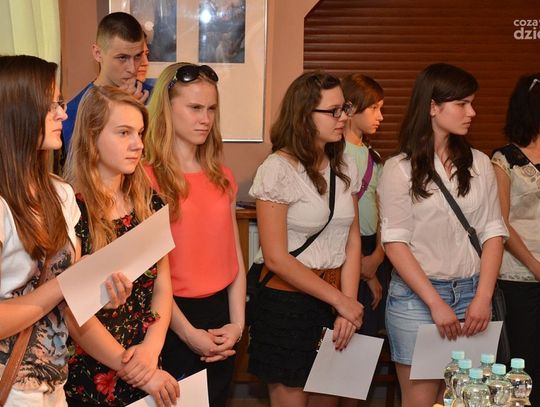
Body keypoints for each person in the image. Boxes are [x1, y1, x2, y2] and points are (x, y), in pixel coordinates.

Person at [0, 55, 129, 407]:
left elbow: (68, 300)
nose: (63, 114)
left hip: (54, 382)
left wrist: (101, 292)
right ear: (18, 111)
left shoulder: (60, 194)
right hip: (10, 388)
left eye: (60, 103)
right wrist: (65, 284)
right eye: (52, 105)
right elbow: (58, 287)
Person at [377, 63, 508, 406]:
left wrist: (483, 297)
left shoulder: (480, 163)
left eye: (472, 103)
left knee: (464, 398)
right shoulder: (398, 168)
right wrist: (435, 303)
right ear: (433, 107)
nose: (472, 112)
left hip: (472, 294)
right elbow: (395, 243)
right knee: (421, 399)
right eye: (462, 104)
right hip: (417, 300)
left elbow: (494, 233)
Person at [248, 71, 364, 407]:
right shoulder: (277, 169)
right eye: (333, 111)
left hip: (336, 299)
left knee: (329, 399)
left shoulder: (344, 164)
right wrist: (341, 301)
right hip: (287, 303)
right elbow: (276, 257)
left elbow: (352, 240)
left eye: (345, 108)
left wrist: (347, 305)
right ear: (304, 115)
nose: (343, 118)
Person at [63, 86, 179, 407]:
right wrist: (134, 369)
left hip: (145, 360)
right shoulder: (71, 210)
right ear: (92, 137)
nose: (138, 144)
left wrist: (151, 350)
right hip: (93, 374)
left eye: (139, 133)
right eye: (124, 132)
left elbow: (162, 284)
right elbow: (72, 312)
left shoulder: (148, 202)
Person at [144, 63, 245, 407]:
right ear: (167, 109)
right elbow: (149, 273)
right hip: (168, 319)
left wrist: (237, 325)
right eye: (195, 108)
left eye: (211, 109)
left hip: (220, 317)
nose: (206, 119)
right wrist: (188, 334)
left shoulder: (222, 176)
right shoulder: (145, 178)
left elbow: (234, 256)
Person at [491, 73, 540, 407]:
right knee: (524, 364)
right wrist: (535, 265)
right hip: (519, 276)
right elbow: (501, 223)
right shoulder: (504, 159)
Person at [342, 73, 392, 337]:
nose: (380, 116)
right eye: (374, 108)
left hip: (373, 249)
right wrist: (365, 270)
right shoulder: (334, 154)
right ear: (350, 108)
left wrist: (378, 257)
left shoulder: (374, 156)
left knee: (369, 332)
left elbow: (384, 211)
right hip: (343, 249)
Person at [63, 12, 151, 154]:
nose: (132, 68)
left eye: (138, 56)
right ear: (98, 53)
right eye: (122, 58)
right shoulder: (74, 112)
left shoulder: (155, 98)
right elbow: (82, 163)